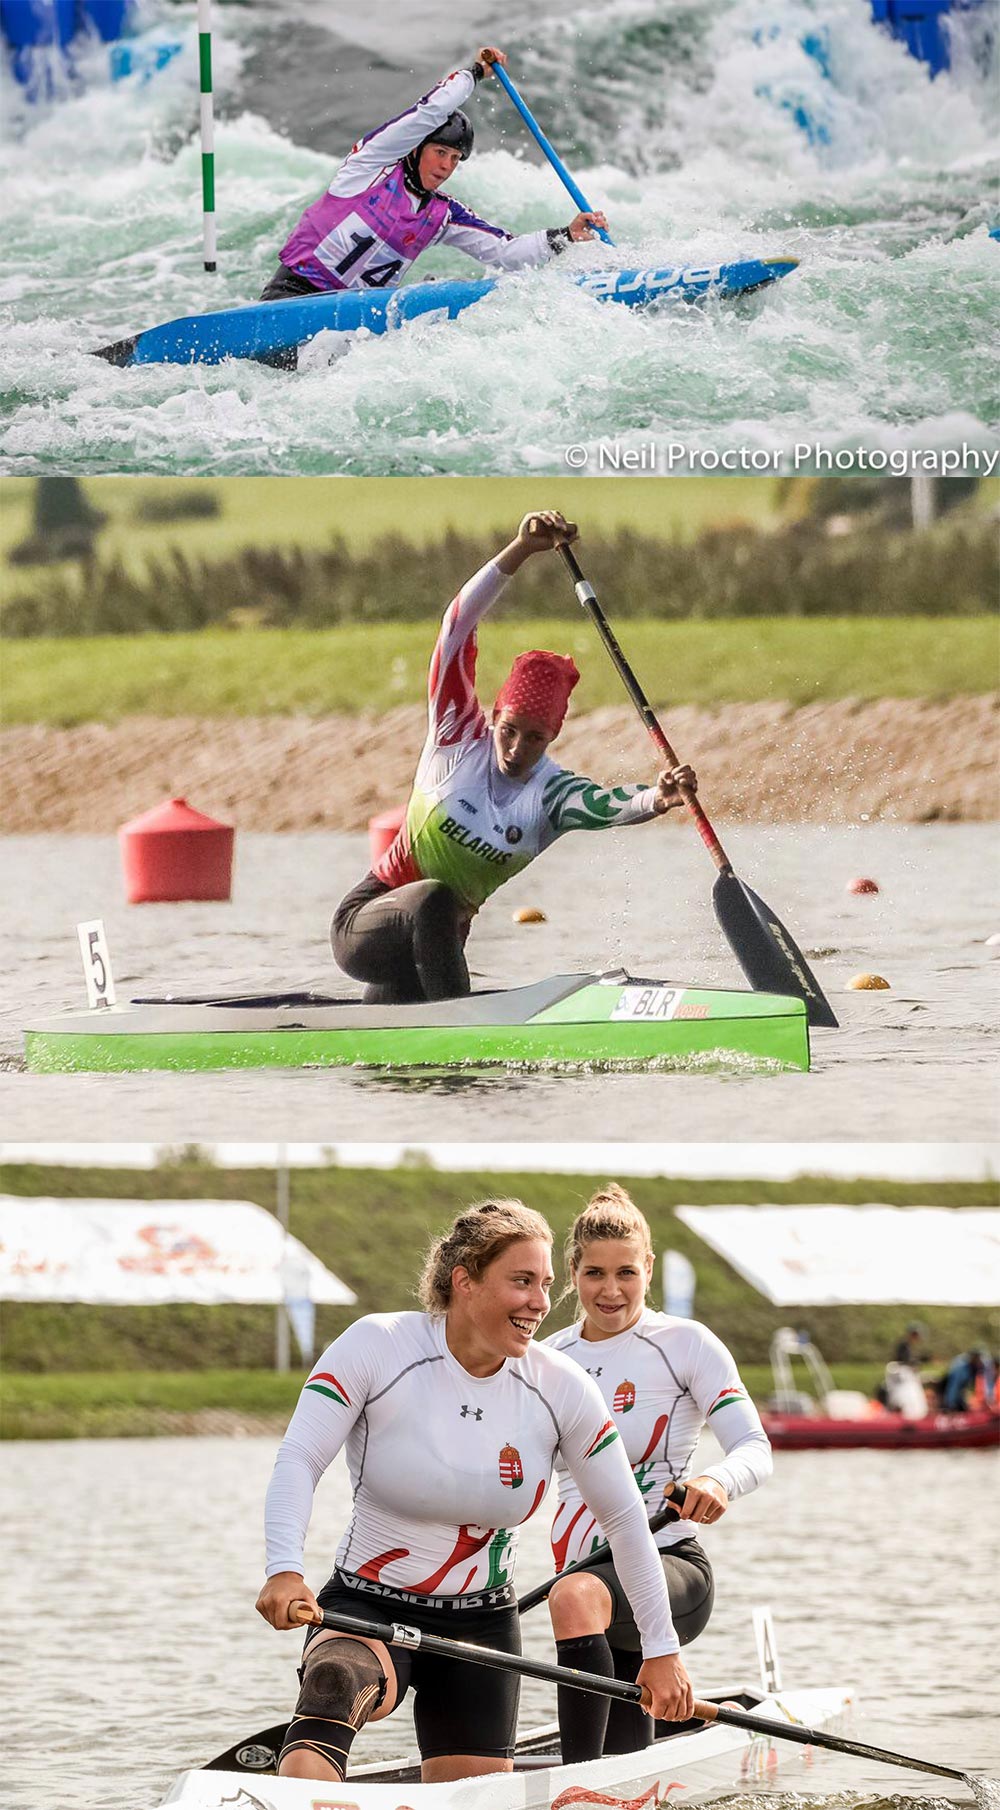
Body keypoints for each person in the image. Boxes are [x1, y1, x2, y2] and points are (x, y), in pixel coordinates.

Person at [255, 1199, 695, 1786]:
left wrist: (662, 1650)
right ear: (464, 1281)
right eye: (521, 1282)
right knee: (336, 1682)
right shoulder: (377, 1346)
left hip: (480, 1626)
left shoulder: (560, 1387)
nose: (540, 1302)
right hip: (368, 1605)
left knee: (470, 1795)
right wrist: (284, 1569)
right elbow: (300, 1459)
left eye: (544, 1284)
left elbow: (621, 1519)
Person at [331, 511, 697, 1003]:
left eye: (535, 738)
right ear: (494, 714)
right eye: (508, 731)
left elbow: (608, 804)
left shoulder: (552, 796)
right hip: (365, 927)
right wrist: (521, 549)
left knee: (411, 1070)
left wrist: (660, 796)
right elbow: (456, 626)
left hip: (428, 955)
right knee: (436, 896)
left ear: (553, 736)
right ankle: (462, 1025)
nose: (517, 748)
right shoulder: (456, 736)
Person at [542, 1184, 772, 1762]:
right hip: (586, 1575)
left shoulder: (685, 1344)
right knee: (627, 1756)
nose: (611, 1290)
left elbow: (754, 1446)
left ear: (648, 1267)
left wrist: (717, 1481)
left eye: (627, 1272)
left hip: (668, 1564)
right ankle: (618, 1778)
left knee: (572, 1597)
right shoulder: (547, 1358)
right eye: (594, 1273)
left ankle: (577, 1784)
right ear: (572, 1272)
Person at [260, 49, 609, 308]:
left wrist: (566, 235)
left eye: (455, 158)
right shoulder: (368, 168)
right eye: (440, 152)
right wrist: (475, 72)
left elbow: (504, 251)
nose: (446, 165)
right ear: (416, 149)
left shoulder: (442, 214)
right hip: (295, 297)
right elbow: (429, 112)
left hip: (355, 320)